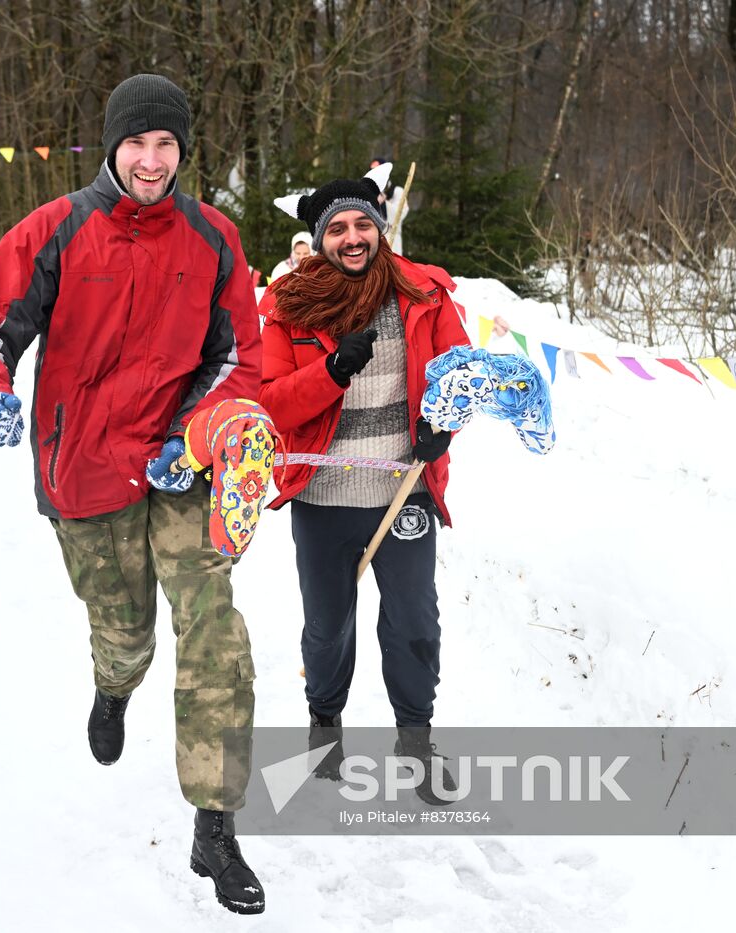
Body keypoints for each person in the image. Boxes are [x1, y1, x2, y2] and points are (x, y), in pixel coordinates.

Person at [0, 74, 267, 914]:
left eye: (167, 145)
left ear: (183, 152)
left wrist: (190, 432)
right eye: (138, 143)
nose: (152, 160)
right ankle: (114, 684)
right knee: (125, 627)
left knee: (213, 625)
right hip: (83, 467)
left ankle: (216, 821)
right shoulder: (59, 229)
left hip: (178, 465)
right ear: (111, 146)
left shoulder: (215, 240)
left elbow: (239, 358)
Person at [257, 167, 469, 802]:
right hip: (322, 500)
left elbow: (463, 376)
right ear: (319, 239)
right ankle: (325, 729)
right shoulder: (288, 308)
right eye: (337, 229)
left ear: (380, 229)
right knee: (327, 627)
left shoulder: (423, 293)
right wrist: (331, 368)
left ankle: (417, 743)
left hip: (405, 491)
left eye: (362, 225)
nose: (352, 238)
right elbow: (269, 404)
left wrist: (444, 425)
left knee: (414, 623)